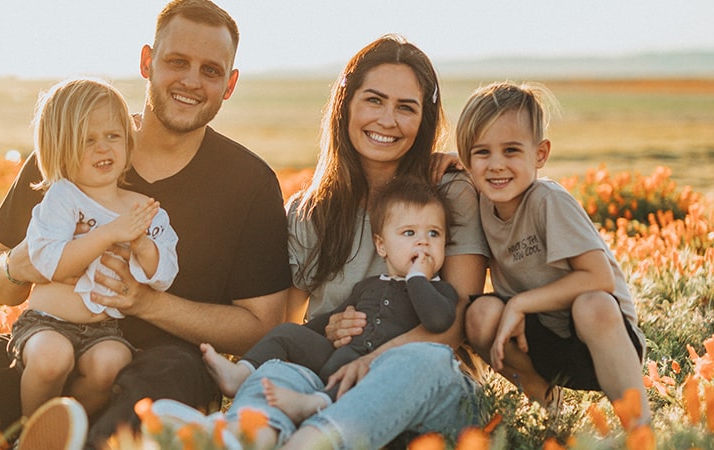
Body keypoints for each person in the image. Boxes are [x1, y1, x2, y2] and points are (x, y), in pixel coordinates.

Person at [0, 1, 291, 448]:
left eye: (210, 70)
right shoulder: (76, 147)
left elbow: (262, 328)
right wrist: (21, 265)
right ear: (147, 62)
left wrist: (146, 303)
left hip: (153, 373)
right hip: (45, 358)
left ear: (229, 85)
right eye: (177, 62)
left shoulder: (248, 183)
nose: (191, 80)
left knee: (172, 372)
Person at [182, 35, 487, 450]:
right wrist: (330, 327)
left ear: (425, 120)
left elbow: (456, 325)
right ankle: (245, 437)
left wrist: (369, 360)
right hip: (328, 381)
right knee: (278, 372)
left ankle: (310, 443)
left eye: (406, 108)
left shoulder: (449, 193)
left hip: (426, 388)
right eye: (374, 100)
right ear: (346, 104)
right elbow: (288, 322)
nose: (387, 120)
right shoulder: (312, 209)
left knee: (421, 360)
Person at [458, 81, 650, 425]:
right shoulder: (481, 205)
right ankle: (549, 409)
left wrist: (520, 303)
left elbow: (599, 278)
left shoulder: (548, 201)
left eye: (512, 151)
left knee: (592, 304)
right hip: (542, 344)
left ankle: (639, 428)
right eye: (482, 152)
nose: (496, 165)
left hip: (600, 340)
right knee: (480, 313)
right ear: (467, 160)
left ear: (541, 154)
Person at [201, 177, 459, 424]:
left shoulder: (441, 292)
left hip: (378, 370)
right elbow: (330, 319)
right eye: (409, 233)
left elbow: (437, 320)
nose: (423, 242)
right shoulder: (368, 286)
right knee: (286, 333)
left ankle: (315, 403)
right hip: (336, 356)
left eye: (434, 234)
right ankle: (241, 373)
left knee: (358, 376)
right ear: (382, 246)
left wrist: (417, 279)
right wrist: (309, 334)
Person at [9, 77, 180, 419]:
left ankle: (70, 431)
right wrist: (109, 233)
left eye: (112, 137)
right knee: (51, 358)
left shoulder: (144, 208)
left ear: (128, 142)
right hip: (46, 322)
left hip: (104, 330)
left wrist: (141, 245)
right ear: (60, 148)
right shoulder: (61, 198)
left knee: (112, 363)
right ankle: (30, 434)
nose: (103, 149)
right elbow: (51, 264)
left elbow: (164, 275)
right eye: (87, 141)